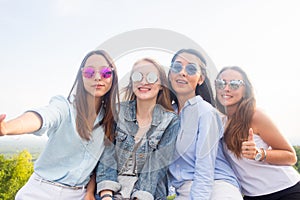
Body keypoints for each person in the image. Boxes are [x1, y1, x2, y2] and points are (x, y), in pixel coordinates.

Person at [0, 49, 119, 200]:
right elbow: (42, 117)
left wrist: (90, 191)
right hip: (40, 191)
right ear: (81, 76)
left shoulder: (109, 120)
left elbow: (99, 163)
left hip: (78, 194)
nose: (97, 77)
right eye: (89, 72)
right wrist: (7, 127)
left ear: (113, 77)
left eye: (105, 72)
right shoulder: (64, 106)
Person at [93, 58, 179, 200]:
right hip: (109, 192)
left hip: (147, 194)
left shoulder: (171, 121)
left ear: (162, 85)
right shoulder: (117, 111)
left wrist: (139, 197)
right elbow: (107, 154)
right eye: (137, 76)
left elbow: (157, 166)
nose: (144, 82)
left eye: (151, 77)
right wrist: (107, 195)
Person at [214, 66, 300, 200]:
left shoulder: (255, 115)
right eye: (221, 83)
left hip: (285, 191)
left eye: (234, 84)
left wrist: (259, 153)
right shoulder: (220, 120)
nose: (226, 88)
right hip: (252, 195)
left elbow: (291, 156)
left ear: (245, 90)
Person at [168, 49, 242, 199]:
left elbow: (205, 167)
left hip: (217, 187)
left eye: (191, 68)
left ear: (200, 79)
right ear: (170, 74)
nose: (182, 72)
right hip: (184, 190)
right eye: (177, 67)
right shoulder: (166, 115)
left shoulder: (206, 112)